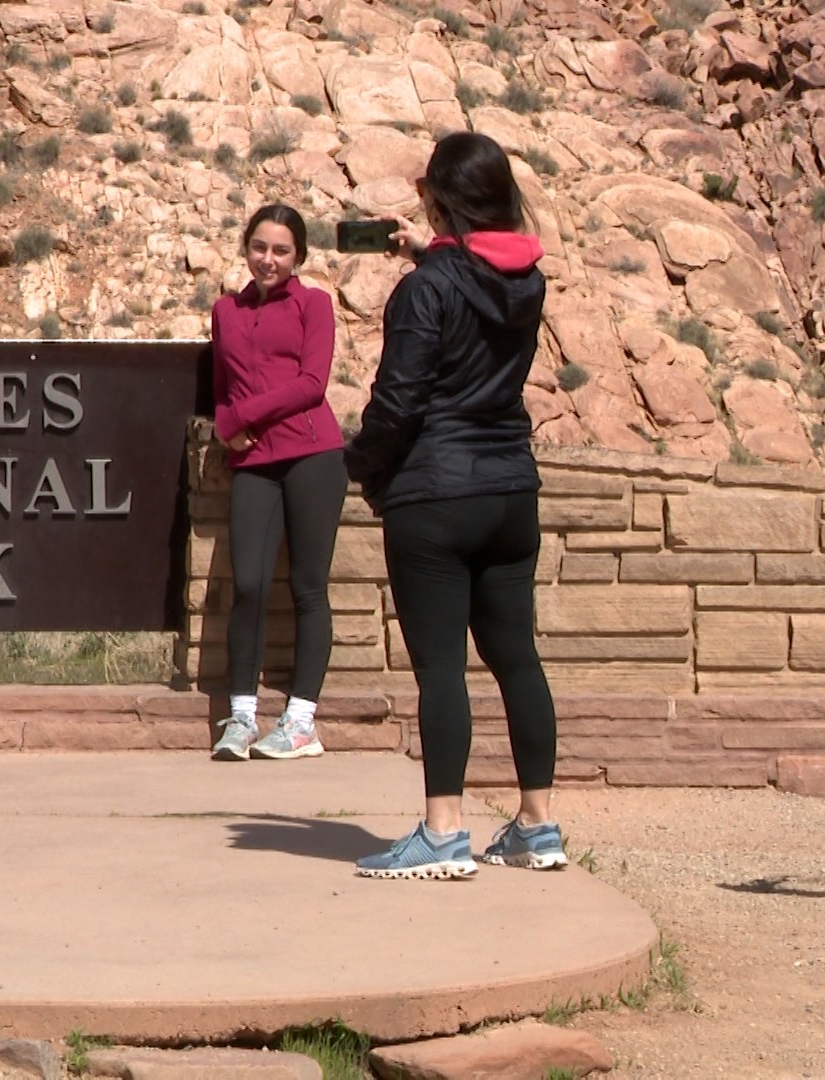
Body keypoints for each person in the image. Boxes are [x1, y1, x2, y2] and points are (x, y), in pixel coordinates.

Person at [345, 132, 562, 878]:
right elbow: (483, 280)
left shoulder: (425, 290)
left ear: (439, 198)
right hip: (511, 487)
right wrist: (430, 251)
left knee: (441, 668)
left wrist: (363, 467)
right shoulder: (527, 280)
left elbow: (399, 399)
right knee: (517, 660)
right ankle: (537, 826)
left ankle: (443, 833)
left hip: (436, 491)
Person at [208, 204, 348, 762]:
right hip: (253, 462)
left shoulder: (315, 304)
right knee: (249, 586)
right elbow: (222, 386)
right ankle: (241, 717)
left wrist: (244, 415)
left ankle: (300, 721)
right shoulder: (226, 311)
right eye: (260, 247)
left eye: (281, 250)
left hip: (314, 453)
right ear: (246, 248)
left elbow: (312, 384)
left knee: (309, 588)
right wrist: (226, 423)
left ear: (298, 258)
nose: (268, 259)